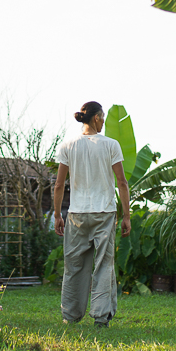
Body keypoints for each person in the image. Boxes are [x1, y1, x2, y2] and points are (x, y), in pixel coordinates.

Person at [53, 101, 131, 328]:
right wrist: (126, 215)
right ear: (96, 118)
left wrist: (58, 215)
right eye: (103, 116)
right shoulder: (111, 145)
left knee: (73, 265)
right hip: (104, 213)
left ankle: (70, 316)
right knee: (104, 264)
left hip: (76, 215)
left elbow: (59, 185)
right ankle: (100, 317)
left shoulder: (67, 145)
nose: (104, 120)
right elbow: (122, 182)